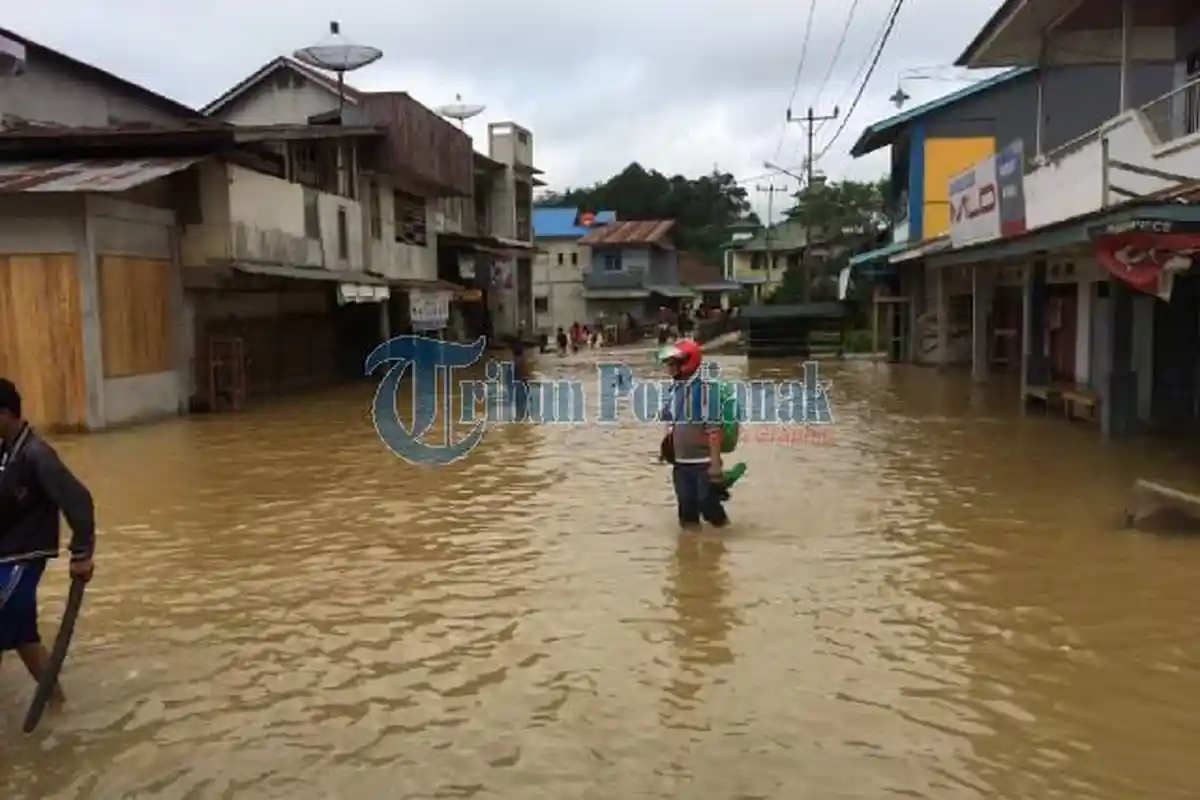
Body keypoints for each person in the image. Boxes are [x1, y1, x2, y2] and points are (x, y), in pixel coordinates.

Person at [0, 379, 95, 707]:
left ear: (5, 413)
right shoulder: (6, 454)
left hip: (22, 558)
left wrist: (82, 553)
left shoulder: (36, 454)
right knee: (23, 638)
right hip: (6, 557)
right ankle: (56, 706)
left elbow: (79, 500)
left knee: (12, 626)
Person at [658, 341, 729, 528]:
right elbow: (668, 421)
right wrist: (666, 449)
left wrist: (715, 466)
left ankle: (722, 542)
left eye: (673, 363)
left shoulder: (704, 391)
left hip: (703, 463)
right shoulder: (673, 390)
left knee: (710, 508)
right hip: (681, 464)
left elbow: (713, 430)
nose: (669, 368)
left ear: (687, 363)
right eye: (668, 363)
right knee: (686, 512)